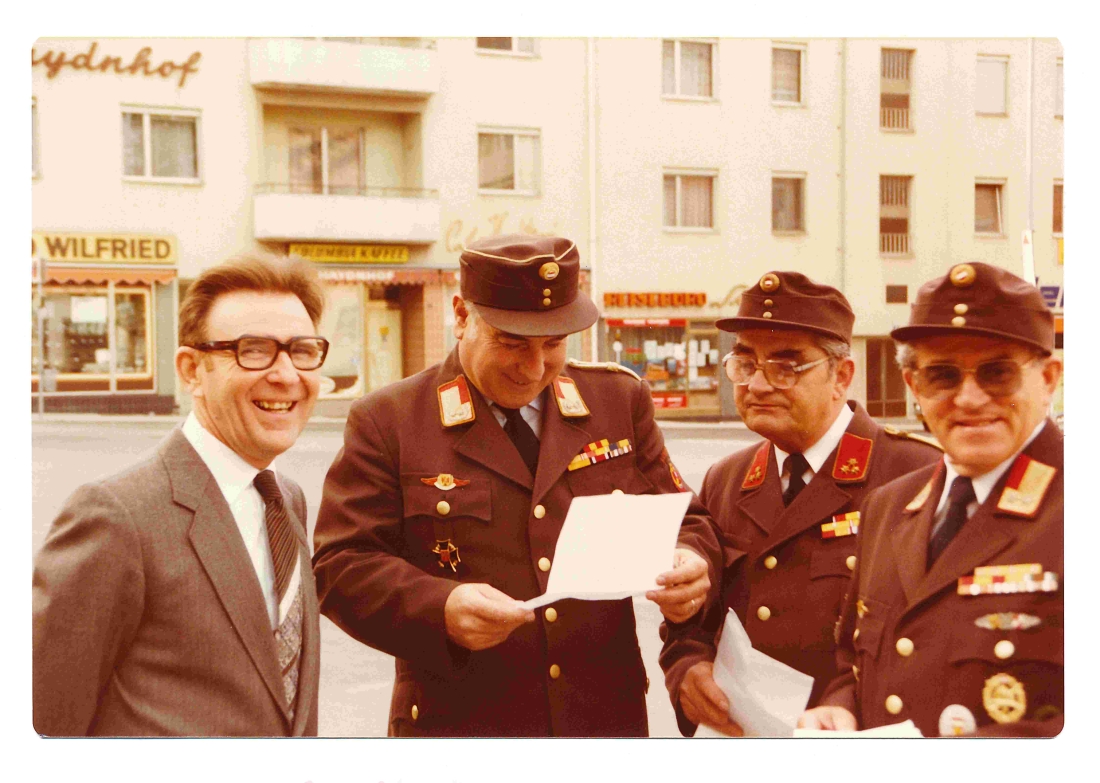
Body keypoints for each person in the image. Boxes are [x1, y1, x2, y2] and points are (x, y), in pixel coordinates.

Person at [312, 234, 719, 737]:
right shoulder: (390, 420)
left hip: (602, 724)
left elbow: (687, 518)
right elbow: (341, 566)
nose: (534, 369)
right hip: (462, 730)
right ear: (461, 316)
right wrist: (439, 607)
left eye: (554, 344)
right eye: (512, 342)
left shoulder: (618, 400)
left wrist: (690, 561)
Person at [33, 254, 328, 736]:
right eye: (253, 350)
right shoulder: (115, 517)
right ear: (191, 371)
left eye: (302, 350)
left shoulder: (286, 499)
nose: (286, 374)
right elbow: (45, 723)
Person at [659, 271, 941, 737]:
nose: (759, 384)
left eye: (786, 367)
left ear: (841, 376)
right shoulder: (727, 478)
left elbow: (934, 639)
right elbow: (694, 616)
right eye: (746, 364)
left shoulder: (914, 473)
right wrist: (686, 666)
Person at [800, 262, 1063, 737]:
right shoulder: (888, 506)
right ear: (914, 386)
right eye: (942, 376)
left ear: (1048, 378)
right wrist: (839, 707)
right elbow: (852, 662)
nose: (969, 398)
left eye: (997, 373)